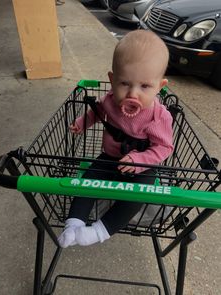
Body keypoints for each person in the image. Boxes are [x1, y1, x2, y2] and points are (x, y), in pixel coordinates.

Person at [58, 29, 174, 248]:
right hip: (110, 157)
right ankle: (73, 225)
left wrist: (139, 160)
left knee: (135, 198)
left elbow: (164, 147)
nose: (133, 94)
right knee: (87, 182)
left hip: (142, 167)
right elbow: (97, 112)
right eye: (125, 83)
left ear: (160, 87)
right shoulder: (110, 100)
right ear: (112, 80)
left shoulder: (158, 116)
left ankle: (100, 231)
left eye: (145, 86)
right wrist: (82, 123)